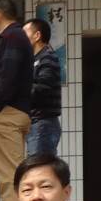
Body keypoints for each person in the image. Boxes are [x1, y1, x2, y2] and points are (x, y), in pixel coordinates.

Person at [0, 0, 33, 201]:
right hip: (17, 111)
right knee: (14, 169)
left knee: (9, 172)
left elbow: (8, 77)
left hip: (7, 113)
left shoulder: (12, 37)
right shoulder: (18, 36)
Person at [23, 18, 62, 156]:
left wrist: (20, 92)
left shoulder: (47, 57)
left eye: (24, 33)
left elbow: (42, 89)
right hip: (38, 124)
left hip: (43, 123)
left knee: (39, 165)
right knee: (38, 164)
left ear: (37, 35)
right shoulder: (36, 59)